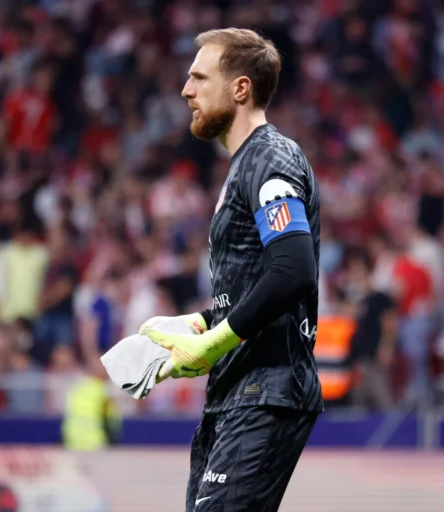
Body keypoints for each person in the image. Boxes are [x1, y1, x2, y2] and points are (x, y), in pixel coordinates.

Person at [138, 28, 322, 512]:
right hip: (238, 391)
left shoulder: (270, 158)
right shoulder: (245, 165)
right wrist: (200, 323)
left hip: (265, 390)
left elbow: (293, 270)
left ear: (241, 88)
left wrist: (213, 343)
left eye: (199, 78)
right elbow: (258, 284)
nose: (186, 90)